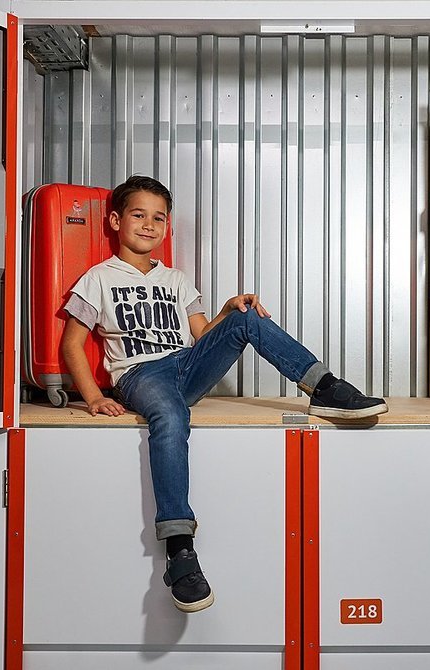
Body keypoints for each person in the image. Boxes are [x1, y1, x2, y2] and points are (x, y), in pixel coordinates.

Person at [61, 175, 388, 614]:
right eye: (138, 215)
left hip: (185, 365)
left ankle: (325, 387)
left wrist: (228, 311)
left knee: (247, 314)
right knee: (171, 418)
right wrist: (92, 397)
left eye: (159, 218)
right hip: (140, 374)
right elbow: (72, 343)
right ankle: (179, 550)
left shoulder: (175, 280)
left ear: (167, 226)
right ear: (117, 221)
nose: (149, 225)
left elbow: (202, 336)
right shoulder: (98, 278)